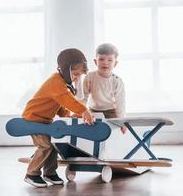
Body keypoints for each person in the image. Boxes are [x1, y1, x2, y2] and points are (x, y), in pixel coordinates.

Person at [22, 48, 95, 188]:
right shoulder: (55, 82)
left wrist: (68, 114)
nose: (76, 78)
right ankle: (31, 174)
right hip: (33, 119)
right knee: (45, 146)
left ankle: (49, 172)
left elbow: (58, 104)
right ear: (65, 69)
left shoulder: (61, 84)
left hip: (44, 121)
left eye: (79, 75)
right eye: (75, 74)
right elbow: (66, 98)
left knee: (54, 145)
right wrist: (83, 110)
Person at [82, 43, 127, 133]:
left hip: (111, 111)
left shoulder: (117, 80)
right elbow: (84, 96)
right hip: (93, 110)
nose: (105, 62)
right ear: (96, 61)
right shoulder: (89, 77)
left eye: (110, 60)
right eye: (101, 59)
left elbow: (120, 102)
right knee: (91, 132)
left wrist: (122, 121)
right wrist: (81, 111)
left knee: (112, 132)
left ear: (115, 63)